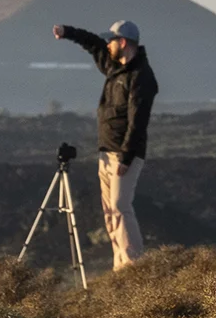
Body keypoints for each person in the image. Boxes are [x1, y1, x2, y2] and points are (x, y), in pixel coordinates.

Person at [52, 19, 159, 270]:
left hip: (125, 154)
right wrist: (69, 32)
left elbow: (137, 121)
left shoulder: (141, 77)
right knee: (110, 209)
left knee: (121, 205)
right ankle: (119, 265)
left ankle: (134, 266)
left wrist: (125, 157)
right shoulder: (115, 68)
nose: (108, 45)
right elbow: (94, 44)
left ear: (122, 43)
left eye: (112, 41)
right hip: (106, 151)